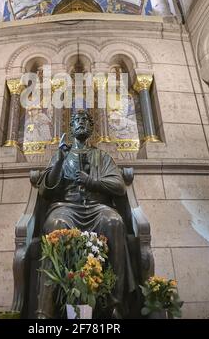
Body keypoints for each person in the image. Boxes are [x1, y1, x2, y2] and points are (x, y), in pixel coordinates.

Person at [36, 110, 136, 319]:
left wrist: (92, 181)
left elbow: (119, 186)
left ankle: (115, 304)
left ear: (91, 128)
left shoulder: (102, 156)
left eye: (84, 120)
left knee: (114, 221)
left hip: (97, 208)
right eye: (76, 121)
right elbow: (45, 191)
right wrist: (58, 162)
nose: (80, 123)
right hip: (67, 206)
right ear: (71, 128)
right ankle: (45, 310)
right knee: (57, 223)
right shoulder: (61, 154)